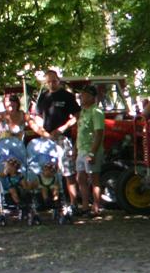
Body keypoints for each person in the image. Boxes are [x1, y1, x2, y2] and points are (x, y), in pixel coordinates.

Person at [31, 70, 81, 206]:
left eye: (54, 81)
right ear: (45, 83)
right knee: (45, 170)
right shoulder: (43, 97)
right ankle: (49, 201)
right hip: (46, 139)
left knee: (68, 172)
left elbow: (77, 116)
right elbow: (37, 116)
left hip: (62, 138)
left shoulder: (67, 96)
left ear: (58, 80)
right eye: (48, 82)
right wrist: (41, 129)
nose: (51, 84)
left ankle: (73, 203)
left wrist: (62, 129)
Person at [74, 85, 105, 216]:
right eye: (81, 94)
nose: (82, 97)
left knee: (94, 178)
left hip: (91, 150)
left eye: (85, 95)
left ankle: (96, 207)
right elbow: (79, 132)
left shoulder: (96, 112)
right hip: (81, 149)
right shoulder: (82, 112)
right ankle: (85, 206)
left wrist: (92, 152)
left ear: (92, 97)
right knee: (80, 178)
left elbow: (99, 133)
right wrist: (76, 150)